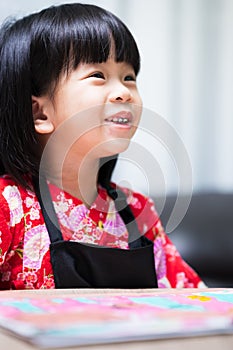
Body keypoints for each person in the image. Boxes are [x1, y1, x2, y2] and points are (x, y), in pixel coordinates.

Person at [0, 3, 204, 290]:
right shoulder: (8, 206)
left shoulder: (136, 210)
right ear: (40, 114)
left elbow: (195, 299)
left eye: (129, 78)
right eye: (98, 75)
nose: (124, 92)